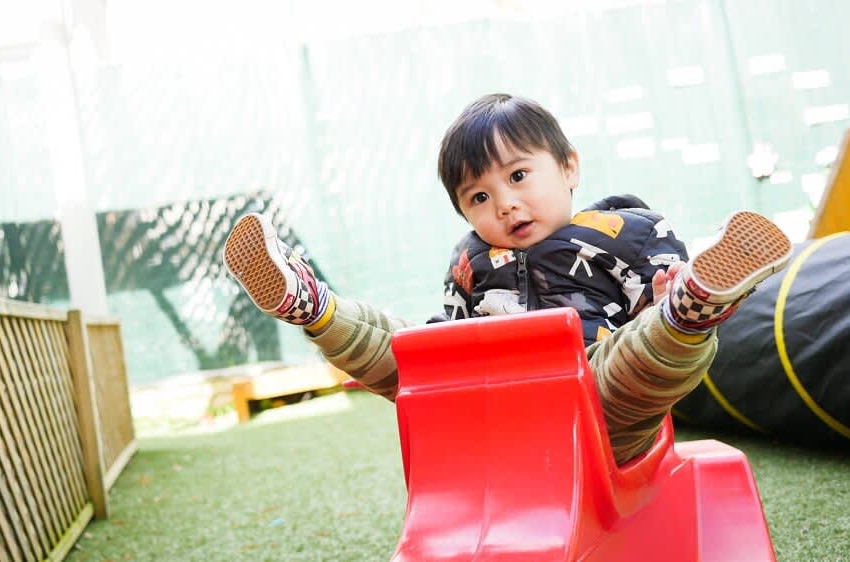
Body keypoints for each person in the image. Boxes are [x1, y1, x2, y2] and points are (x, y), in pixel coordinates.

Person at [222, 93, 792, 465]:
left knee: (635, 359)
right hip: (499, 423)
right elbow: (451, 339)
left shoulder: (626, 231)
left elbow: (640, 324)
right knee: (414, 357)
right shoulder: (471, 260)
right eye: (480, 197)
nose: (507, 204)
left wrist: (659, 302)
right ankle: (311, 304)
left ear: (568, 166)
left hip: (603, 414)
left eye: (520, 175)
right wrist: (434, 361)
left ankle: (693, 305)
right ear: (464, 212)